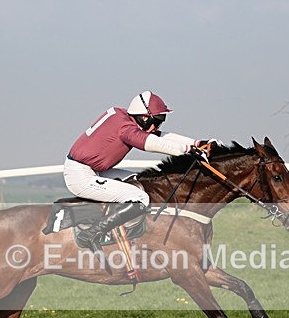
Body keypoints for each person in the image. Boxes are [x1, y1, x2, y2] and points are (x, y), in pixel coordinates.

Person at [64, 90, 203, 251]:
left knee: (142, 183)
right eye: (157, 121)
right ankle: (90, 234)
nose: (158, 126)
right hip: (80, 175)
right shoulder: (126, 128)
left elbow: (159, 136)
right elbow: (150, 143)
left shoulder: (123, 116)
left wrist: (197, 143)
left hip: (93, 170)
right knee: (140, 199)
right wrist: (186, 150)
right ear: (144, 117)